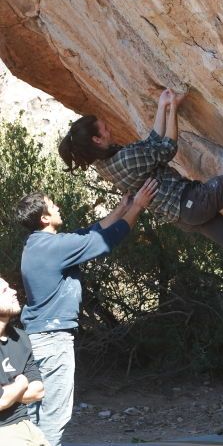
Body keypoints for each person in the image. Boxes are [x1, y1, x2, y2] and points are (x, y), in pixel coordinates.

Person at [57, 90, 223, 315]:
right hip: (189, 202)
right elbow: (167, 147)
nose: (109, 128)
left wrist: (163, 106)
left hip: (183, 216)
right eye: (104, 128)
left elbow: (151, 144)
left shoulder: (105, 164)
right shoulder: (122, 160)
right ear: (96, 139)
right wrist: (173, 110)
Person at [15, 180, 157, 446]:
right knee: (54, 417)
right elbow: (103, 241)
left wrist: (119, 210)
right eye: (52, 204)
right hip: (53, 341)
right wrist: (137, 207)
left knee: (34, 416)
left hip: (35, 340)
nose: (57, 207)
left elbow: (88, 233)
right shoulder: (54, 248)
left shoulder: (37, 245)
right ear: (44, 217)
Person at [0, 277, 47, 446]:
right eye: (4, 290)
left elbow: (38, 391)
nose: (14, 291)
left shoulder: (21, 338)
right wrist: (22, 382)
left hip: (27, 426)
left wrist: (9, 393)